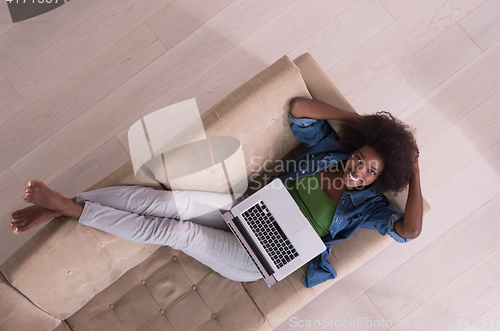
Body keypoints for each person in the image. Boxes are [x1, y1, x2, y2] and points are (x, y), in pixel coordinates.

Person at [10, 98, 422, 287]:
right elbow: (299, 108)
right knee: (166, 201)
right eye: (361, 158)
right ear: (353, 150)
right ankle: (66, 207)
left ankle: (70, 207)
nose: (359, 171)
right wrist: (362, 121)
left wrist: (415, 166)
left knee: (180, 233)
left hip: (260, 257)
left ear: (377, 181)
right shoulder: (330, 152)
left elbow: (410, 230)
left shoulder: (367, 207)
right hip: (245, 210)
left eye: (371, 172)